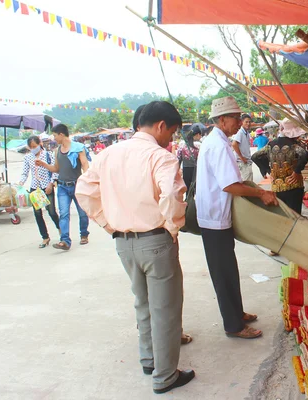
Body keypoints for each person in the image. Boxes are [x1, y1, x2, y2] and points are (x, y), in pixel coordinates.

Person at [75, 101, 195, 394]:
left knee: (143, 302)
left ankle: (148, 359)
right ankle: (165, 376)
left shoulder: (108, 155)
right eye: (173, 131)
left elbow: (84, 190)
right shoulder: (160, 157)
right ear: (161, 126)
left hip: (123, 243)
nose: (172, 139)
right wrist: (172, 225)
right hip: (155, 239)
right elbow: (171, 194)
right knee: (165, 309)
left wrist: (107, 224)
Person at [197, 96, 278, 339]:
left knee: (228, 269)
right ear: (222, 120)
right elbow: (230, 185)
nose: (239, 122)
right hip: (213, 217)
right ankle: (233, 325)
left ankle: (237, 312)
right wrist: (260, 193)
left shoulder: (218, 141)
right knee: (223, 273)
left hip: (217, 215)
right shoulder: (219, 145)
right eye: (235, 118)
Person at [36, 124, 90, 251]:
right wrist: (43, 164)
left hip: (77, 185)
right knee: (64, 214)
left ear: (61, 134)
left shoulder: (78, 148)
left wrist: (85, 181)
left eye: (55, 136)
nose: (54, 139)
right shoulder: (57, 151)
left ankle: (84, 234)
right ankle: (65, 240)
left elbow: (85, 165)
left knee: (82, 213)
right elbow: (56, 169)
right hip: (62, 187)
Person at [252, 117, 308, 214]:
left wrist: (269, 170)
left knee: (283, 214)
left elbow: (255, 157)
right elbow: (304, 155)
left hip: (277, 187)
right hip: (294, 185)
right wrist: (297, 171)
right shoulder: (294, 144)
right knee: (295, 215)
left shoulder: (271, 144)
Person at [18, 135, 60, 248]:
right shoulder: (28, 157)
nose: (33, 148)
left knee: (51, 212)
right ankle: (45, 237)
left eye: (34, 146)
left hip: (47, 186)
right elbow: (25, 172)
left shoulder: (48, 155)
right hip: (35, 188)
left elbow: (55, 170)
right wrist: (21, 182)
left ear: (39, 144)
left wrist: (51, 183)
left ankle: (61, 230)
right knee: (37, 213)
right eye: (31, 147)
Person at [176, 126, 201, 191]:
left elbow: (178, 160)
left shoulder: (181, 148)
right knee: (194, 190)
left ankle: (188, 199)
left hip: (186, 170)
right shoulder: (198, 147)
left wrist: (177, 171)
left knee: (187, 189)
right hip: (195, 171)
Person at [231, 113, 254, 181]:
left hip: (246, 161)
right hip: (242, 162)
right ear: (242, 122)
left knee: (248, 182)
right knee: (247, 183)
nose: (248, 123)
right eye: (246, 122)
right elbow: (234, 144)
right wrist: (242, 157)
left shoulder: (246, 133)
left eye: (249, 122)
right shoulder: (240, 132)